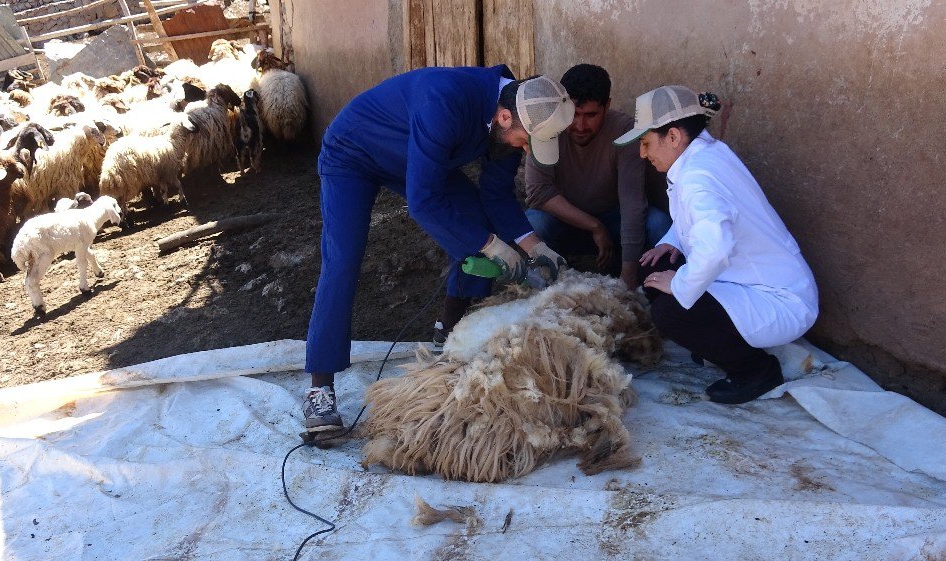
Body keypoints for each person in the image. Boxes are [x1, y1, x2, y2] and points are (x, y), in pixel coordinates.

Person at [303, 66, 574, 432]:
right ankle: (321, 386)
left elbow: (494, 195)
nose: (524, 150)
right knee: (343, 259)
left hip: (423, 157)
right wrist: (491, 246)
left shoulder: (515, 113)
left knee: (475, 220)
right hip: (354, 153)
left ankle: (450, 332)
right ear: (503, 116)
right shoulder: (443, 99)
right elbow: (424, 201)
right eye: (525, 142)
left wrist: (533, 244)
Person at [614, 85, 819, 404]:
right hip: (749, 281)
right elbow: (698, 221)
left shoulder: (699, 177)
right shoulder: (703, 155)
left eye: (645, 143)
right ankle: (719, 343)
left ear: (672, 137)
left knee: (671, 311)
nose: (642, 154)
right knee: (654, 269)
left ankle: (756, 371)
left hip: (779, 299)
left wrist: (679, 282)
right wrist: (671, 243)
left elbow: (717, 246)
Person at [524, 64, 672, 289]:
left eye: (591, 115)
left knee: (658, 224)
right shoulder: (546, 126)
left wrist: (627, 279)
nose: (580, 125)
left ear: (607, 106)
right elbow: (538, 193)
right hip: (565, 223)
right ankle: (547, 281)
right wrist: (594, 226)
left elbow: (633, 204)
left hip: (614, 222)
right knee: (532, 222)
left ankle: (670, 291)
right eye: (574, 114)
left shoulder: (624, 131)